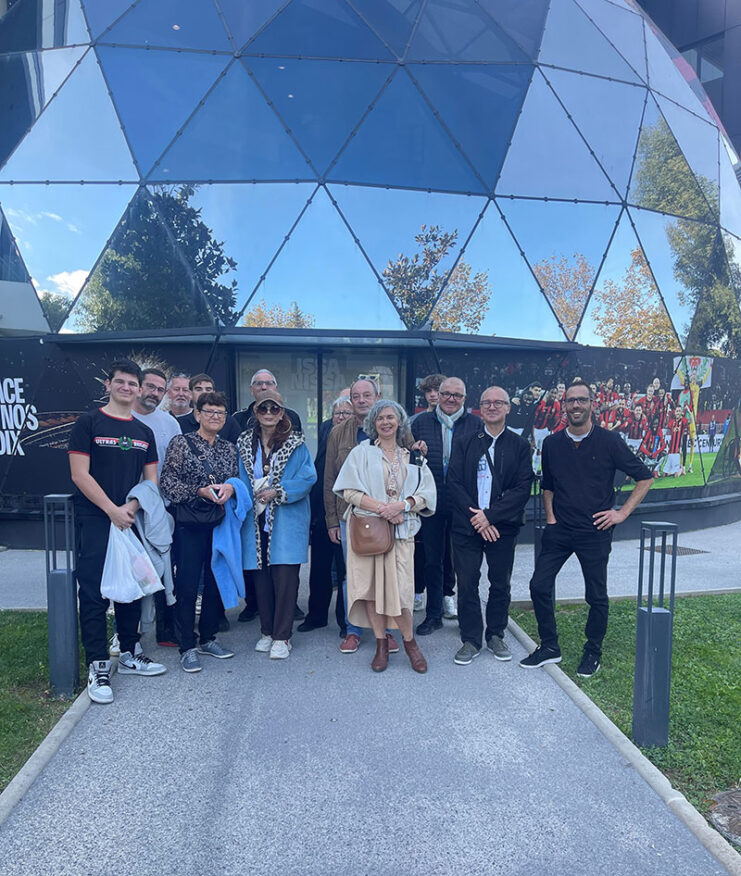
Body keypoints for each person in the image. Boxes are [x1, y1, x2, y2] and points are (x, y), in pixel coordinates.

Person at [521, 380, 653, 678]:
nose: (576, 405)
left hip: (595, 531)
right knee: (539, 585)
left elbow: (644, 478)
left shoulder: (610, 441)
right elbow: (548, 486)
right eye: (570, 401)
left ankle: (593, 650)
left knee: (596, 595)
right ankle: (549, 646)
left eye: (581, 400)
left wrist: (621, 513)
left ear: (592, 403)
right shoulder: (552, 443)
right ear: (563, 405)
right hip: (560, 531)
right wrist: (552, 518)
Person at [68, 359, 166, 705]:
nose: (127, 388)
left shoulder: (144, 433)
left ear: (140, 390)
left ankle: (129, 651)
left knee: (134, 587)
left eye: (132, 383)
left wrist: (131, 508)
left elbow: (151, 480)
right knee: (93, 593)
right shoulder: (88, 422)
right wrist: (111, 510)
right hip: (96, 519)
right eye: (120, 382)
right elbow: (80, 474)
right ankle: (97, 665)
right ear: (108, 385)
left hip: (129, 519)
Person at [333, 399, 437, 673]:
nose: (386, 422)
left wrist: (402, 505)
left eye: (391, 417)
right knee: (370, 591)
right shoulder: (361, 453)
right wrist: (383, 509)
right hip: (369, 533)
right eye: (380, 418)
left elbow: (427, 494)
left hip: (403, 534)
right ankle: (381, 644)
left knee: (402, 592)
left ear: (400, 421)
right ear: (373, 423)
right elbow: (349, 492)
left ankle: (410, 643)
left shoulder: (413, 456)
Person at [447, 386, 533, 665]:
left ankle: (496, 634)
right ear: (479, 408)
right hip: (467, 525)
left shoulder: (519, 445)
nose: (493, 407)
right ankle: (471, 639)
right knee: (468, 582)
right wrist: (478, 517)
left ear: (508, 407)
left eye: (499, 403)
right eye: (487, 403)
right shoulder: (464, 440)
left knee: (500, 583)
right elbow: (454, 483)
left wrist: (491, 517)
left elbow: (522, 488)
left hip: (502, 527)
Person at [231, 390, 316, 660]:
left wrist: (278, 491)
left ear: (282, 412)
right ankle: (267, 631)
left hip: (286, 519)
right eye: (263, 408)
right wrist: (247, 496)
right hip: (254, 519)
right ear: (255, 411)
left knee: (285, 578)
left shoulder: (296, 442)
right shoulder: (243, 442)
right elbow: (238, 476)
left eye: (274, 409)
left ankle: (283, 636)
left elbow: (307, 476)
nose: (268, 413)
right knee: (261, 578)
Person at [160, 392, 238, 673]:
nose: (215, 416)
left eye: (220, 412)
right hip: (190, 524)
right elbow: (167, 481)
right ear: (197, 414)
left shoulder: (229, 448)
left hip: (219, 523)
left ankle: (208, 637)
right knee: (188, 584)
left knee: (216, 578)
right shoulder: (182, 443)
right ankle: (186, 645)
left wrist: (229, 488)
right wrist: (199, 492)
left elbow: (234, 479)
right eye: (209, 411)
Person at [411, 376, 481, 634]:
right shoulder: (420, 423)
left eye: (457, 395)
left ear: (465, 399)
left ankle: (467, 615)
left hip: (464, 504)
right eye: (446, 394)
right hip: (432, 502)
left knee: (465, 562)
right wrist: (414, 451)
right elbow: (409, 464)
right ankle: (433, 614)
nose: (451, 399)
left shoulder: (476, 424)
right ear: (438, 396)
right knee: (432, 560)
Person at [131, 367, 181, 647]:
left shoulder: (169, 423)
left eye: (160, 389)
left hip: (163, 507)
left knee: (165, 568)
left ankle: (165, 629)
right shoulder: (124, 418)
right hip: (129, 508)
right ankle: (128, 633)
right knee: (134, 570)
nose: (154, 393)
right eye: (150, 387)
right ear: (139, 387)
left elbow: (174, 464)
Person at [298, 395, 352, 635]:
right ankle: (316, 616)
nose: (340, 416)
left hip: (347, 515)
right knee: (319, 569)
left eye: (346, 413)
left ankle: (345, 621)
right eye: (337, 413)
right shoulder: (326, 433)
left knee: (344, 571)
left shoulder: (355, 440)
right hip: (322, 514)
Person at [231, 369, 303, 434]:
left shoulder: (291, 417)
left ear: (276, 389)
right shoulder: (238, 418)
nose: (264, 387)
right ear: (251, 390)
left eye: (268, 383)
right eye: (259, 384)